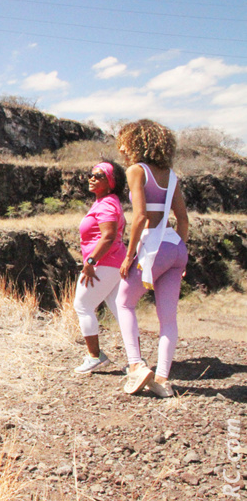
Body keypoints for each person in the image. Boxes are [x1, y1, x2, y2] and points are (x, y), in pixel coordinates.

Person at [116, 120, 189, 398]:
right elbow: (182, 219)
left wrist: (129, 255)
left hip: (151, 247)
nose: (121, 147)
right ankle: (162, 379)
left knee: (124, 302)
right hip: (174, 246)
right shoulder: (171, 176)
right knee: (168, 318)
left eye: (124, 141)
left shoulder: (137, 171)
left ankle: (136, 365)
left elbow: (141, 217)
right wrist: (181, 252)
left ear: (136, 142)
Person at [73, 161, 127, 374]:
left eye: (99, 175)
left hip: (104, 263)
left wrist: (91, 262)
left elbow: (109, 236)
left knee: (83, 305)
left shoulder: (106, 204)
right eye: (91, 174)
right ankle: (136, 360)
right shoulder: (104, 202)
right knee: (120, 309)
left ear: (111, 182)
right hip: (112, 263)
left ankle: (95, 357)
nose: (92, 178)